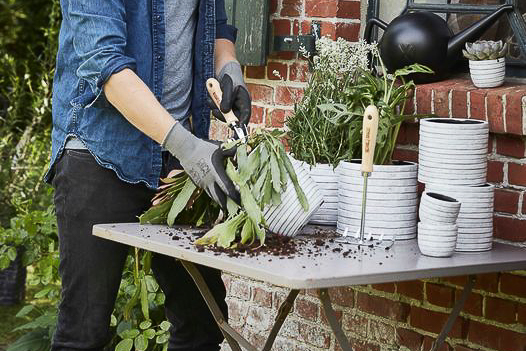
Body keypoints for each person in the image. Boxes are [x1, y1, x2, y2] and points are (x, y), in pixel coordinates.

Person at [45, 0, 251, 350]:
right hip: (101, 154)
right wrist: (188, 147)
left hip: (178, 163)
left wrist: (229, 68)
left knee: (201, 324)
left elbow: (215, 27)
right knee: (84, 331)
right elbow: (105, 64)